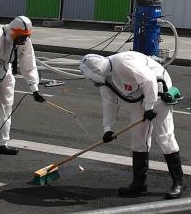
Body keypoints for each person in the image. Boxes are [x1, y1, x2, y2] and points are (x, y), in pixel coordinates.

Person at [79, 52, 184, 199]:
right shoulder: (104, 78)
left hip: (158, 88)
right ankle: (139, 182)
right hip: (136, 95)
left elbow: (149, 80)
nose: (95, 83)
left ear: (97, 73)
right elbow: (109, 103)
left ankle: (178, 182)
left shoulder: (124, 63)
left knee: (164, 136)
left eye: (94, 80)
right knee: (138, 136)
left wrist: (149, 107)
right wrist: (108, 128)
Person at [0, 15, 44, 163]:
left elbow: (28, 64)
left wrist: (34, 88)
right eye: (22, 37)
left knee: (7, 106)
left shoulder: (24, 40)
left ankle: (2, 144)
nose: (24, 40)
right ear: (13, 32)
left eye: (27, 36)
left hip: (6, 70)